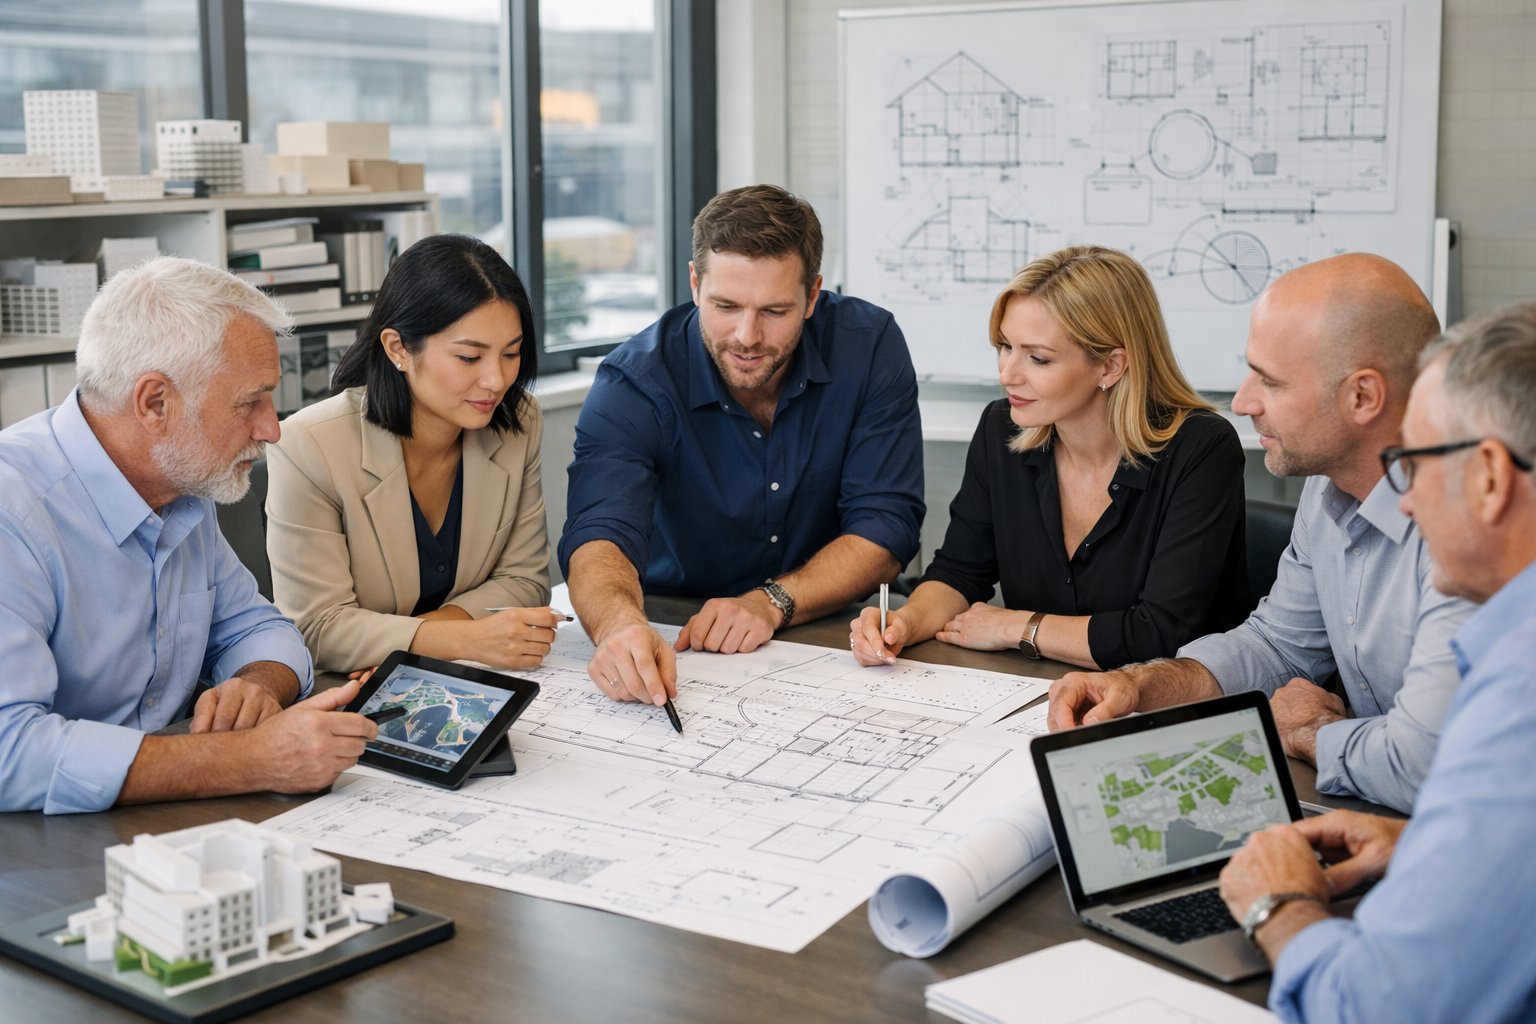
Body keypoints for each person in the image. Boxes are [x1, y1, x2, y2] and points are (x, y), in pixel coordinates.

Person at [1047, 253, 1473, 813]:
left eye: (1269, 381)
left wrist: (1312, 733)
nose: (1242, 402)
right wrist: (1139, 686)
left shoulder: (1469, 528)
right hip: (1387, 817)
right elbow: (1276, 646)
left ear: (1363, 397)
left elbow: (1425, 766)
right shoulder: (1327, 489)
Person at [1216, 303, 1536, 1023]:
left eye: (1413, 464)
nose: (1406, 503)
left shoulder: (1521, 695)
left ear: (1490, 477)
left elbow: (1374, 1008)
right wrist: (1428, 844)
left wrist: (1278, 905)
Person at [0, 256, 375, 815]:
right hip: (42, 840)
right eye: (250, 402)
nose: (272, 429)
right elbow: (9, 752)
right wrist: (249, 758)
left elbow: (257, 626)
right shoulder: (14, 512)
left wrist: (257, 684)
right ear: (155, 403)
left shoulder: (180, 482)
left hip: (161, 810)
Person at [559, 184, 924, 707]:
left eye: (774, 311)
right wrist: (618, 624)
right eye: (726, 306)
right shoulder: (634, 381)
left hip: (834, 629)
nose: (747, 336)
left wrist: (770, 602)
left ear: (813, 295)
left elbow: (886, 524)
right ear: (695, 283)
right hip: (673, 625)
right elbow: (599, 533)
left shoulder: (868, 345)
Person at [850, 245, 1245, 670]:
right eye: (1005, 346)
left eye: (1038, 358)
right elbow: (960, 572)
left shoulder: (1202, 448)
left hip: (1168, 697)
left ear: (1110, 366)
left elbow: (1160, 635)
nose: (1007, 374)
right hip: (1037, 689)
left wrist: (1017, 627)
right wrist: (904, 623)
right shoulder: (1001, 428)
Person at [266, 234, 560, 675]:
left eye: (511, 353)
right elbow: (316, 627)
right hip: (348, 691)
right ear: (398, 348)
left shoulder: (519, 420)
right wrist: (465, 639)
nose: (497, 381)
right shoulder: (308, 446)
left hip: (454, 674)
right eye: (469, 357)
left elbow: (525, 581)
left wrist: (413, 648)